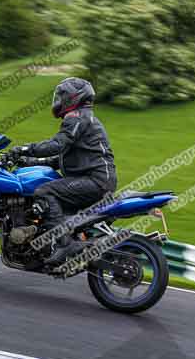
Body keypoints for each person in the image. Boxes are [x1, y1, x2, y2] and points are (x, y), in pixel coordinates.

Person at [10, 77, 117, 265]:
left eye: (62, 96)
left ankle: (65, 244)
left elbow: (57, 144)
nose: (59, 100)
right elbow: (59, 158)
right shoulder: (84, 118)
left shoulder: (76, 117)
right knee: (50, 195)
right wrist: (28, 161)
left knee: (45, 191)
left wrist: (25, 148)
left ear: (74, 97)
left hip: (95, 181)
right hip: (97, 180)